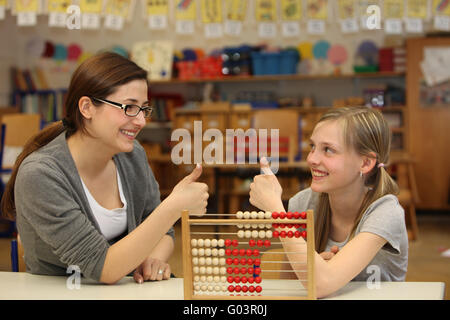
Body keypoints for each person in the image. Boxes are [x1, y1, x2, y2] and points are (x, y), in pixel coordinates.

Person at [1, 52, 209, 285]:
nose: (141, 121)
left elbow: (163, 233)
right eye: (129, 107)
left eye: (144, 109)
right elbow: (103, 268)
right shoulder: (41, 175)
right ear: (87, 107)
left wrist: (152, 258)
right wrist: (173, 206)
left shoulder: (132, 154)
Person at [249, 106, 408, 298]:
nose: (312, 159)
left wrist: (276, 211)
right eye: (313, 147)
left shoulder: (386, 212)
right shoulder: (303, 203)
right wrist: (312, 270)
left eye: (328, 150)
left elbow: (321, 285)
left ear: (365, 163)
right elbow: (289, 283)